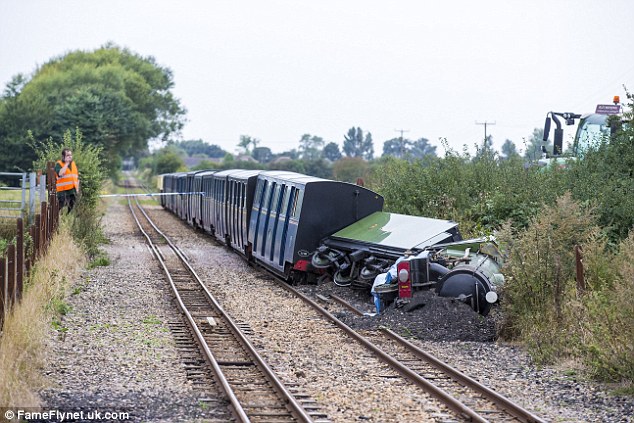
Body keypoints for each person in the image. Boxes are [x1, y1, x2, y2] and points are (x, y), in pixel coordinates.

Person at [55, 148, 80, 212]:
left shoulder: (73, 164)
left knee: (71, 209)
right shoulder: (59, 164)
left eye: (70, 155)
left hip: (73, 191)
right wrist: (66, 164)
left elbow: (76, 177)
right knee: (59, 209)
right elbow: (60, 173)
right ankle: (57, 220)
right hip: (63, 191)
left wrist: (77, 189)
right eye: (68, 155)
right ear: (63, 157)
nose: (70, 157)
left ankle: (67, 220)